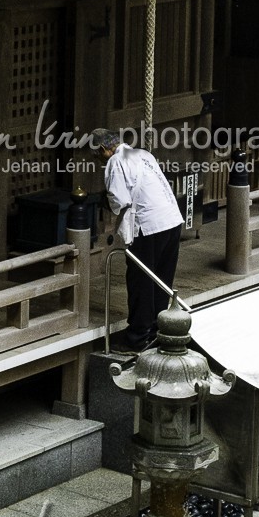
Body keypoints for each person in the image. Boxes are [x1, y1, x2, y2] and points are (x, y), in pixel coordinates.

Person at [90, 127, 183, 351]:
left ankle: (137, 337)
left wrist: (105, 203)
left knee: (141, 280)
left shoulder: (115, 161)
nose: (99, 160)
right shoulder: (143, 154)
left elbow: (119, 200)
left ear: (104, 149)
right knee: (161, 279)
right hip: (172, 219)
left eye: (97, 155)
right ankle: (159, 330)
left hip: (149, 225)